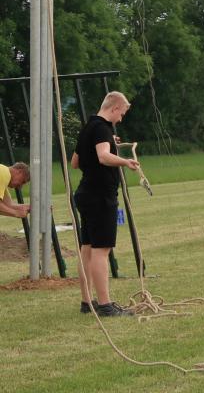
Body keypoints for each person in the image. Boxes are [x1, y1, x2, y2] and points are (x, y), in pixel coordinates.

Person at [73, 92, 140, 317]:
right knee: (102, 250)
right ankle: (105, 305)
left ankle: (86, 302)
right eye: (121, 113)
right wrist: (125, 161)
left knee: (88, 249)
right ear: (114, 108)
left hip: (85, 193)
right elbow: (102, 157)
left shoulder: (88, 128)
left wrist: (112, 146)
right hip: (100, 196)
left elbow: (76, 162)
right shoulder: (102, 128)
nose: (120, 119)